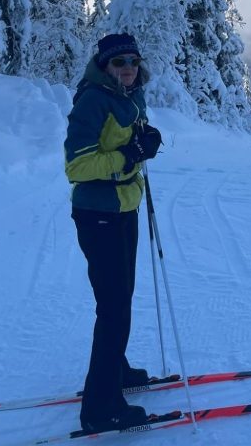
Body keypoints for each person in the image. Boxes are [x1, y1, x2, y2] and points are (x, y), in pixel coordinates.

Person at [64, 33, 163, 433]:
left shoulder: (129, 95)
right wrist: (130, 155)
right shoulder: (93, 100)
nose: (127, 67)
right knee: (114, 307)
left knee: (122, 299)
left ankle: (115, 370)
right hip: (98, 213)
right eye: (119, 61)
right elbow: (77, 166)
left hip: (125, 209)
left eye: (133, 60)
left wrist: (146, 138)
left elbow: (128, 137)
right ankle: (100, 408)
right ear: (104, 64)